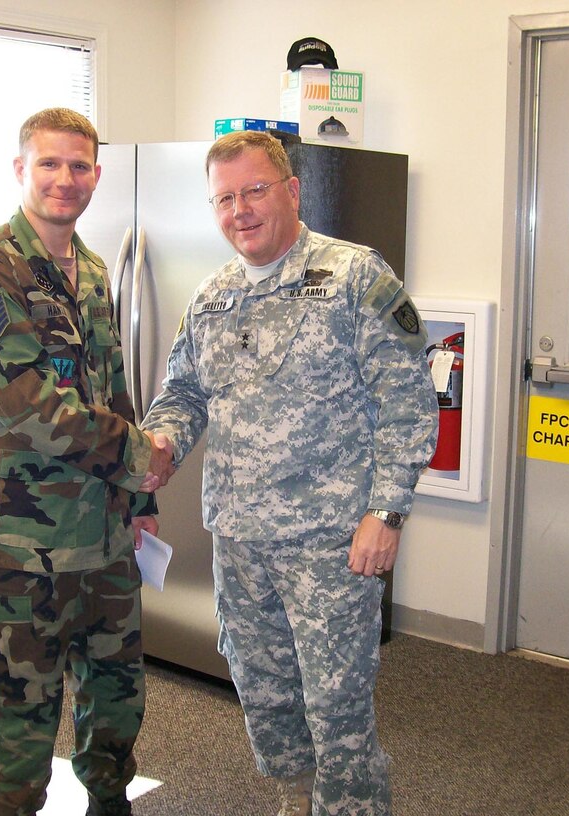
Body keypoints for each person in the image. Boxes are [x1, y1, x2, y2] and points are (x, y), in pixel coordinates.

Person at [140, 131, 438, 816]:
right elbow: (184, 392)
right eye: (224, 198)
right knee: (265, 693)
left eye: (253, 191)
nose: (239, 210)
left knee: (336, 706)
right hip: (240, 539)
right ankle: (296, 799)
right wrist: (159, 445)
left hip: (330, 543)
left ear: (291, 192)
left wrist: (386, 512)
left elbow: (409, 401)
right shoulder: (213, 296)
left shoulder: (354, 276)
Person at [0, 107, 173, 816]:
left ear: (97, 175)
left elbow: (113, 387)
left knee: (115, 696)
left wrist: (141, 500)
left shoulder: (95, 272)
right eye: (49, 163)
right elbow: (31, 407)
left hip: (102, 537)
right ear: (21, 170)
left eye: (78, 166)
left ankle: (110, 803)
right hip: (20, 545)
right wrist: (144, 456)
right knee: (22, 723)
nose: (64, 179)